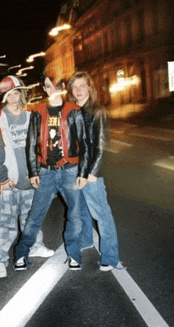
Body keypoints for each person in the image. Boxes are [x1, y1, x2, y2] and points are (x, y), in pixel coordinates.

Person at [13, 75, 90, 271]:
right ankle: (21, 253)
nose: (48, 89)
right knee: (35, 215)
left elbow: (84, 143)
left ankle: (74, 255)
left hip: (70, 170)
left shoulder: (74, 111)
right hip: (46, 171)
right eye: (46, 86)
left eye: (51, 85)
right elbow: (31, 144)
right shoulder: (38, 112)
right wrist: (33, 171)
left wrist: (83, 171)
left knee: (75, 215)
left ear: (60, 87)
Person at [0, 76, 54, 279]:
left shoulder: (31, 116)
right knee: (6, 224)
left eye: (16, 93)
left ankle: (35, 247)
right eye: (9, 94)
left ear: (22, 94)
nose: (13, 97)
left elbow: (41, 145)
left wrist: (38, 171)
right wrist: (1, 179)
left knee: (31, 219)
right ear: (4, 97)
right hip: (10, 181)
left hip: (30, 178)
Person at [67, 71, 123, 271]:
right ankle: (86, 240)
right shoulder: (72, 111)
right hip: (74, 169)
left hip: (90, 172)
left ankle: (110, 256)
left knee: (101, 213)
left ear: (90, 87)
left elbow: (101, 145)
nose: (79, 90)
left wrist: (92, 174)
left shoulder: (97, 111)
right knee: (82, 209)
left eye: (83, 86)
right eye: (75, 87)